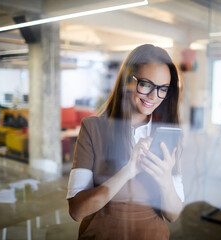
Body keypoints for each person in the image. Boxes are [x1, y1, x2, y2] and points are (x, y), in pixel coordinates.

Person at [66, 44, 184, 240]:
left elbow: (172, 215)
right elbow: (77, 211)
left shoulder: (168, 136)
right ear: (127, 81)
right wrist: (128, 170)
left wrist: (164, 178)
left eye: (163, 89)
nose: (154, 97)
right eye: (146, 84)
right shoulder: (93, 128)